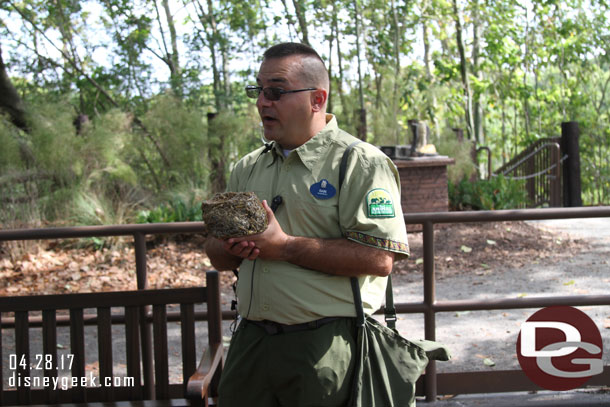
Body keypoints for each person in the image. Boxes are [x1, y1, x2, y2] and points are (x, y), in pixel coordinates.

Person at [204, 42, 409, 407]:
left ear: (317, 99)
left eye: (276, 91)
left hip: (325, 347)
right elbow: (219, 258)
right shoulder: (247, 167)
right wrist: (230, 247)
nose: (262, 102)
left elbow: (379, 260)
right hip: (251, 343)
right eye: (259, 90)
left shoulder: (359, 163)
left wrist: (283, 246)